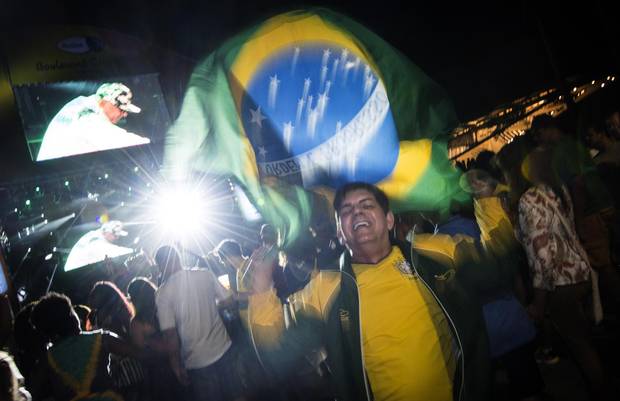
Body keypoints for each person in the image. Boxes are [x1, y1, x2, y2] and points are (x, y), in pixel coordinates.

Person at [245, 182, 507, 401]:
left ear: (389, 219)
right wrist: (260, 286)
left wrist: (487, 199)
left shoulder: (430, 254)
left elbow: (497, 267)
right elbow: (277, 356)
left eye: (367, 205)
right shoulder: (325, 290)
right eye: (346, 210)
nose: (357, 213)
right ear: (339, 231)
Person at [154, 245, 243, 401]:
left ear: (161, 266)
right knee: (238, 396)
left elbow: (170, 334)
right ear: (179, 258)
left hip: (198, 361)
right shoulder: (205, 275)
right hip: (223, 347)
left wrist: (175, 365)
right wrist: (211, 305)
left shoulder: (163, 293)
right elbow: (229, 301)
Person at [29, 292, 140, 401]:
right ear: (71, 316)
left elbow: (34, 392)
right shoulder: (101, 338)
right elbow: (141, 354)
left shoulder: (47, 359)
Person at [36, 82, 150, 161]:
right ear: (103, 103)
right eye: (121, 109)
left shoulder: (82, 106)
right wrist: (152, 145)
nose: (124, 114)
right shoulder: (85, 114)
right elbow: (117, 139)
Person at [65, 220, 134, 271]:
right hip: (73, 273)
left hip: (76, 271)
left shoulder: (94, 235)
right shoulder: (95, 240)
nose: (117, 238)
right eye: (115, 236)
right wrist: (134, 251)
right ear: (108, 231)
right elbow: (114, 251)